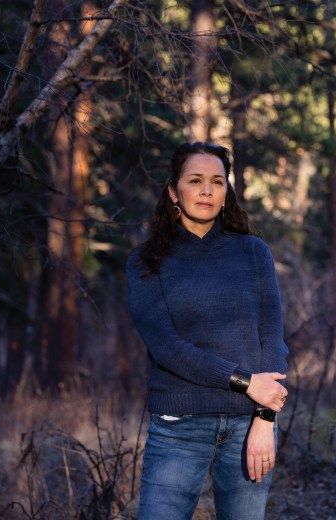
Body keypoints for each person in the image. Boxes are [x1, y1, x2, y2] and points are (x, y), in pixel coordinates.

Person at [126, 142, 289, 520]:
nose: (206, 190)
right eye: (195, 180)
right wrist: (247, 382)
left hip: (249, 426)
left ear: (226, 192)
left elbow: (272, 336)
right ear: (173, 190)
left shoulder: (253, 252)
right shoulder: (146, 262)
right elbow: (167, 348)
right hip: (178, 428)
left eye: (217, 181)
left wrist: (265, 419)